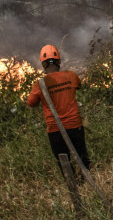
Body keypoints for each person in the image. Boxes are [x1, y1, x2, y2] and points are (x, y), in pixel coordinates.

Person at [26, 44, 91, 174]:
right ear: (59, 61)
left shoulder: (40, 84)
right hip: (75, 125)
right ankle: (86, 177)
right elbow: (78, 86)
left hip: (55, 128)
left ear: (43, 64)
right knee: (81, 154)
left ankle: (72, 182)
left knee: (63, 159)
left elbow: (31, 103)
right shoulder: (71, 76)